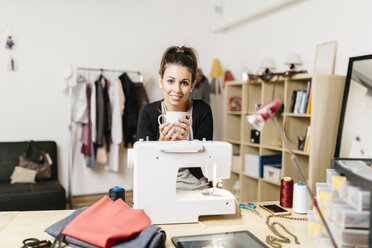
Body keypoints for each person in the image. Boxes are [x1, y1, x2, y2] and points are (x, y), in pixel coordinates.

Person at [137, 46, 213, 181]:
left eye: (184, 83)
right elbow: (144, 165)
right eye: (170, 81)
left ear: (192, 86)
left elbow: (205, 162)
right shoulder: (148, 113)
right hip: (160, 184)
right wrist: (161, 143)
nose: (176, 89)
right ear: (161, 81)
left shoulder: (202, 111)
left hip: (196, 187)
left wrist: (186, 144)